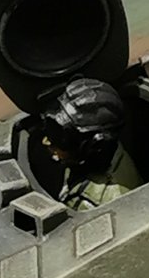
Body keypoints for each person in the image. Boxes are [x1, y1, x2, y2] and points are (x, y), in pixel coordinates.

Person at [35, 76, 140, 210]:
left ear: (92, 148)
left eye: (61, 140)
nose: (46, 141)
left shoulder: (93, 203)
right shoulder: (109, 151)